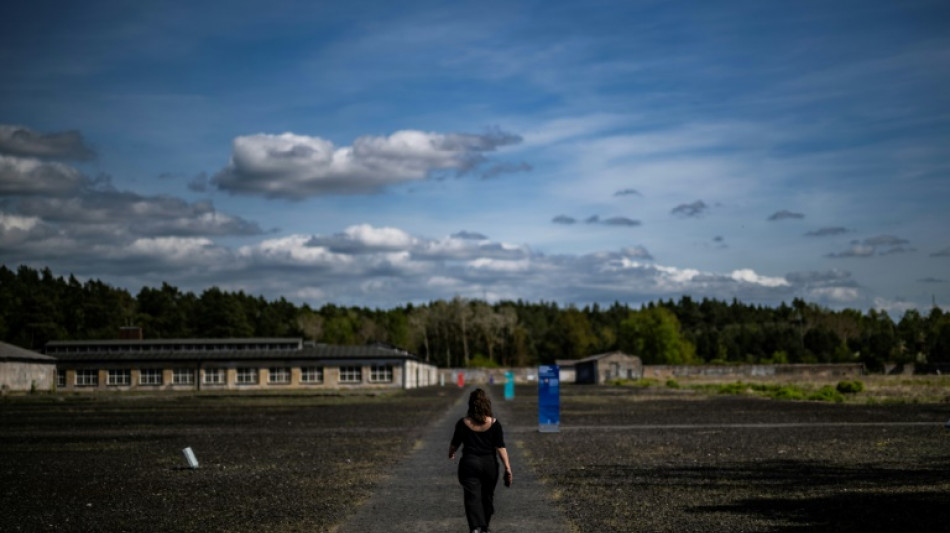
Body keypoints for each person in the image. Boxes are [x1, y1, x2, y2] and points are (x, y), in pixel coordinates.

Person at [449, 388, 512, 533]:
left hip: (469, 464)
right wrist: (507, 467)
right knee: (487, 496)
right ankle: (484, 527)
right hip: (489, 465)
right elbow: (500, 447)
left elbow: (454, 444)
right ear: (487, 404)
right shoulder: (495, 424)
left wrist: (451, 453)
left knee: (472, 496)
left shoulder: (463, 423)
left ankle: (475, 528)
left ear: (470, 404)